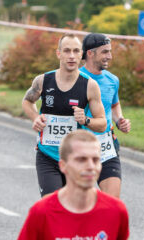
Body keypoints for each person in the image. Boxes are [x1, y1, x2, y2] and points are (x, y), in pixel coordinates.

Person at [11, 130, 135, 240]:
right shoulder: (42, 212)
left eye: (95, 159)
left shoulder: (115, 210)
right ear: (63, 166)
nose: (90, 166)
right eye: (81, 160)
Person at [22, 33, 107, 197]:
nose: (71, 56)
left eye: (76, 51)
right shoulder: (43, 81)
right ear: (58, 53)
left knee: (74, 207)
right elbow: (27, 101)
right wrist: (35, 117)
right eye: (67, 51)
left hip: (75, 158)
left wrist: (86, 120)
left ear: (81, 54)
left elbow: (102, 123)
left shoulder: (90, 85)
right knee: (51, 204)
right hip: (47, 155)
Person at [80, 33, 131, 198]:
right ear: (90, 53)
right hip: (80, 147)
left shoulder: (113, 80)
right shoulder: (76, 79)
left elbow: (114, 104)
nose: (109, 56)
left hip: (106, 146)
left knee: (112, 203)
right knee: (81, 203)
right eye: (105, 52)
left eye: (110, 51)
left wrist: (120, 120)